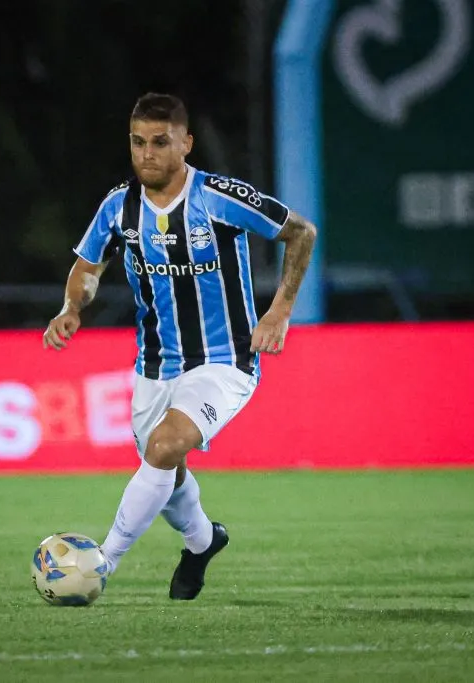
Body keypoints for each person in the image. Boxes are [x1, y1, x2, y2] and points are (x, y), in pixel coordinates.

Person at [42, 92, 316, 600]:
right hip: (154, 364)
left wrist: (279, 310)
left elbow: (301, 232)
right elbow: (88, 267)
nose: (147, 154)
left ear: (185, 144)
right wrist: (72, 307)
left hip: (224, 359)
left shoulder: (219, 197)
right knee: (164, 466)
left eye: (159, 142)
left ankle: (100, 564)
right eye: (137, 142)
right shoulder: (119, 206)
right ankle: (203, 540)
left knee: (164, 447)